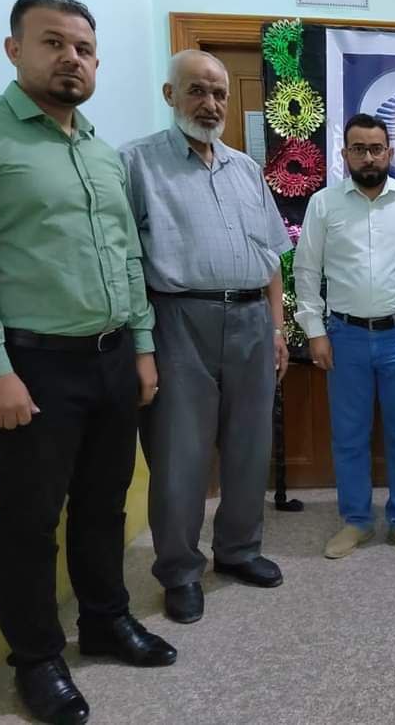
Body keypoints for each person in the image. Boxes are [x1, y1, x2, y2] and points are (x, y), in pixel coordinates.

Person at [0, 0, 175, 725]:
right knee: (30, 520)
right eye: (53, 43)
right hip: (30, 367)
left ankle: (104, 620)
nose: (72, 58)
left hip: (112, 357)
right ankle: (36, 659)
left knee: (103, 503)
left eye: (84, 49)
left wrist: (143, 349)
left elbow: (126, 258)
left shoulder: (101, 152)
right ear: (14, 50)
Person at [120, 49, 291, 625]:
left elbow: (272, 256)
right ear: (170, 95)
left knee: (249, 446)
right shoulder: (136, 164)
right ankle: (179, 571)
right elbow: (125, 263)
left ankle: (239, 550)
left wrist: (276, 327)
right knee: (179, 454)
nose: (211, 103)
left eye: (219, 93)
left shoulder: (246, 169)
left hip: (251, 321)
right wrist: (142, 346)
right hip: (178, 320)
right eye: (197, 90)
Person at [294, 112, 395, 560]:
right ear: (345, 154)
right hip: (346, 337)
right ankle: (356, 520)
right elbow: (306, 270)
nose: (369, 157)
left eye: (376, 148)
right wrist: (314, 331)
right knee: (349, 435)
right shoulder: (324, 204)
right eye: (359, 149)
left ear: (390, 152)